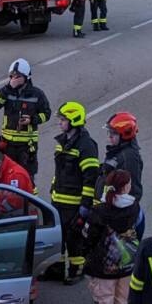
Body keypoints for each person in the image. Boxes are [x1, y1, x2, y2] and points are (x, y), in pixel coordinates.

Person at [82, 169, 141, 304]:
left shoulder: (100, 210)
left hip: (104, 264)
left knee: (104, 299)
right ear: (126, 186)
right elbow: (140, 227)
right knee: (122, 298)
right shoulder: (134, 207)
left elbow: (88, 235)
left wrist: (87, 254)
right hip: (127, 261)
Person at [45, 101, 100, 284]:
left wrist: (85, 205)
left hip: (73, 202)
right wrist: (53, 188)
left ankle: (77, 269)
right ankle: (57, 268)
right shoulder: (63, 142)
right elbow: (59, 171)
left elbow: (90, 178)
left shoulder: (86, 146)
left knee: (73, 237)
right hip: (58, 199)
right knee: (58, 236)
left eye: (63, 119)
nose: (60, 123)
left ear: (73, 120)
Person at [0, 58, 51, 180]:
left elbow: (47, 114)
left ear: (26, 77)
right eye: (12, 76)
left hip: (26, 146)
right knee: (5, 177)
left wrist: (32, 119)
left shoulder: (37, 94)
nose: (14, 79)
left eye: (18, 76)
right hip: (7, 144)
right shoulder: (7, 92)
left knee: (26, 178)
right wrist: (7, 88)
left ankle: (29, 199)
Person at [96, 112, 145, 239]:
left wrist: (119, 217)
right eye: (109, 133)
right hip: (112, 210)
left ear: (125, 135)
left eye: (113, 133)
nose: (110, 137)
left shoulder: (128, 157)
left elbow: (131, 188)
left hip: (121, 218)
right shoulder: (118, 153)